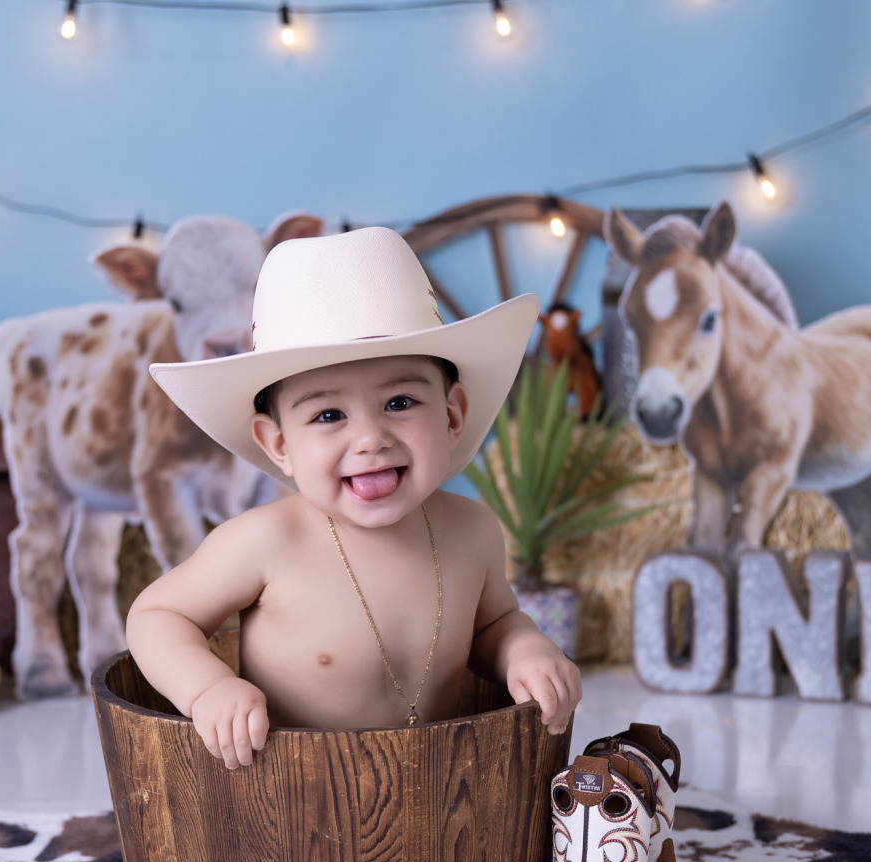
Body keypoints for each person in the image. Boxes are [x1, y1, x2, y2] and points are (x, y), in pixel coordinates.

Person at [126, 226, 582, 769]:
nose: (370, 439)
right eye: (328, 415)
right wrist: (208, 689)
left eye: (400, 402)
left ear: (452, 416)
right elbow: (157, 615)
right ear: (279, 445)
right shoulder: (265, 542)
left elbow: (492, 625)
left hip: (436, 783)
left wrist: (525, 649)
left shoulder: (472, 530)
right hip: (290, 788)